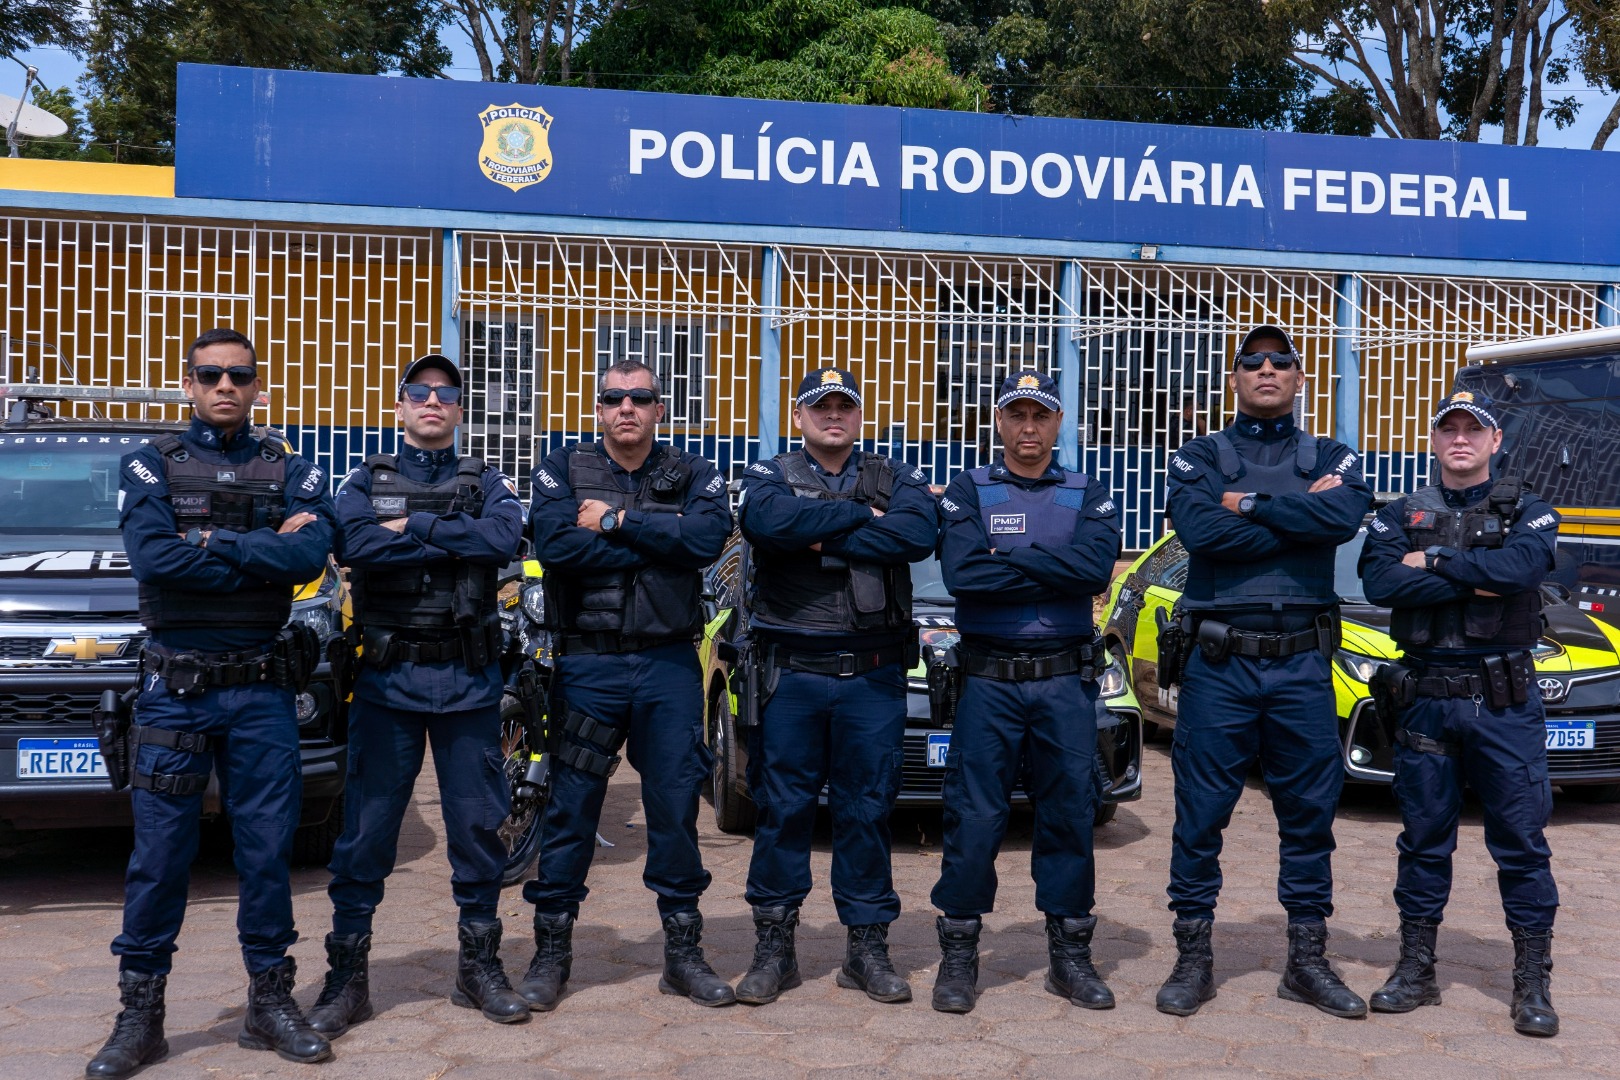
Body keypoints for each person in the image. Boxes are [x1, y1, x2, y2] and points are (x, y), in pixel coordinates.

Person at [90, 328, 337, 1077]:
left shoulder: (289, 465)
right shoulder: (149, 461)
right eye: (210, 375)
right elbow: (152, 558)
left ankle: (269, 1003)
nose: (225, 386)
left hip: (263, 692)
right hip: (176, 693)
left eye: (239, 376)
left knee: (266, 854)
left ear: (257, 386)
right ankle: (141, 1016)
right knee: (161, 856)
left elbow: (307, 558)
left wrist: (206, 545)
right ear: (190, 385)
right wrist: (258, 546)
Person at [308, 354, 530, 1035]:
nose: (432, 401)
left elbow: (502, 540)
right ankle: (348, 979)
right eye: (419, 393)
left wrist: (415, 528)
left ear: (459, 411)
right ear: (401, 407)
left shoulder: (487, 480)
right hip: (387, 683)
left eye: (445, 394)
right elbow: (354, 544)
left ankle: (479, 967)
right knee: (367, 833)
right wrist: (446, 543)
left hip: (467, 683)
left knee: (478, 828)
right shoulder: (362, 478)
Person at [1157, 325, 1373, 1020]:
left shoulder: (1333, 455)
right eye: (1252, 361)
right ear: (1235, 377)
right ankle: (1193, 959)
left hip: (1304, 667)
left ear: (1302, 377)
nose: (1268, 369)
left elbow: (1342, 517)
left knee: (1309, 817)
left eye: (1282, 360)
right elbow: (1202, 535)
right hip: (1221, 666)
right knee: (1200, 816)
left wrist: (1248, 504)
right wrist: (1299, 517)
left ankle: (1306, 963)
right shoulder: (1199, 456)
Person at [518, 359, 735, 1010]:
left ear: (659, 409)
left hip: (668, 666)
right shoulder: (561, 468)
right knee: (572, 808)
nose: (627, 408)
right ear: (599, 407)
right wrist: (657, 539)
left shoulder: (693, 472)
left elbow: (704, 540)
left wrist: (614, 521)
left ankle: (683, 954)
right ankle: (550, 953)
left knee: (675, 809)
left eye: (640, 398)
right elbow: (557, 548)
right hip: (589, 667)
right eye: (614, 397)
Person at [731, 368, 940, 1006]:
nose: (833, 415)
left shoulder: (895, 476)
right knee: (783, 811)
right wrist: (857, 518)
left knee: (866, 811)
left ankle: (867, 951)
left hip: (873, 675)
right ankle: (774, 950)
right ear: (799, 417)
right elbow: (767, 524)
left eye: (844, 406)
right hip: (790, 673)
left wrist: (815, 534)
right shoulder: (769, 475)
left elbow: (917, 533)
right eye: (819, 406)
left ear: (858, 416)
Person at [1357, 391, 1561, 1037]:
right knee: (1422, 842)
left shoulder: (1530, 512)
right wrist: (1479, 573)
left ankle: (1533, 982)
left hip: (1504, 705)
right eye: (1451, 429)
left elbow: (1523, 568)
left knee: (1522, 844)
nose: (1462, 438)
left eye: (1476, 430)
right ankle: (1415, 970)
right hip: (1426, 702)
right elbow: (1383, 584)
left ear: (1496, 442)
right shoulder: (1399, 514)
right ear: (1435, 441)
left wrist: (1437, 559)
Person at [929, 370, 1123, 1015]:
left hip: (1065, 681)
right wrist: (1049, 564)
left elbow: (1094, 571)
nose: (1029, 428)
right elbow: (962, 573)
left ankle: (1070, 956)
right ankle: (959, 955)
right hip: (988, 681)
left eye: (1041, 416)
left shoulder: (1086, 491)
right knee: (974, 817)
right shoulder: (969, 488)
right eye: (1017, 416)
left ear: (1058, 423)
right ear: (999, 421)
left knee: (1069, 814)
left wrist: (1005, 557)